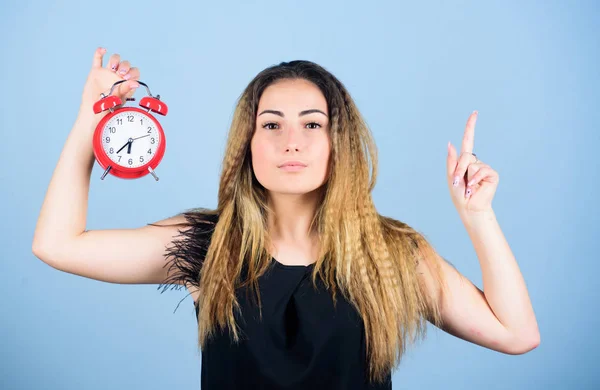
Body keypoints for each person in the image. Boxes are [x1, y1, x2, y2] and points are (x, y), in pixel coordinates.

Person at [32, 47, 540, 389]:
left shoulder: (391, 253)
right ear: (247, 144)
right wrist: (90, 118)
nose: (291, 140)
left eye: (311, 124)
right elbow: (57, 244)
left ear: (337, 141)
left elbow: (516, 334)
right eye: (270, 124)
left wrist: (478, 217)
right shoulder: (206, 245)